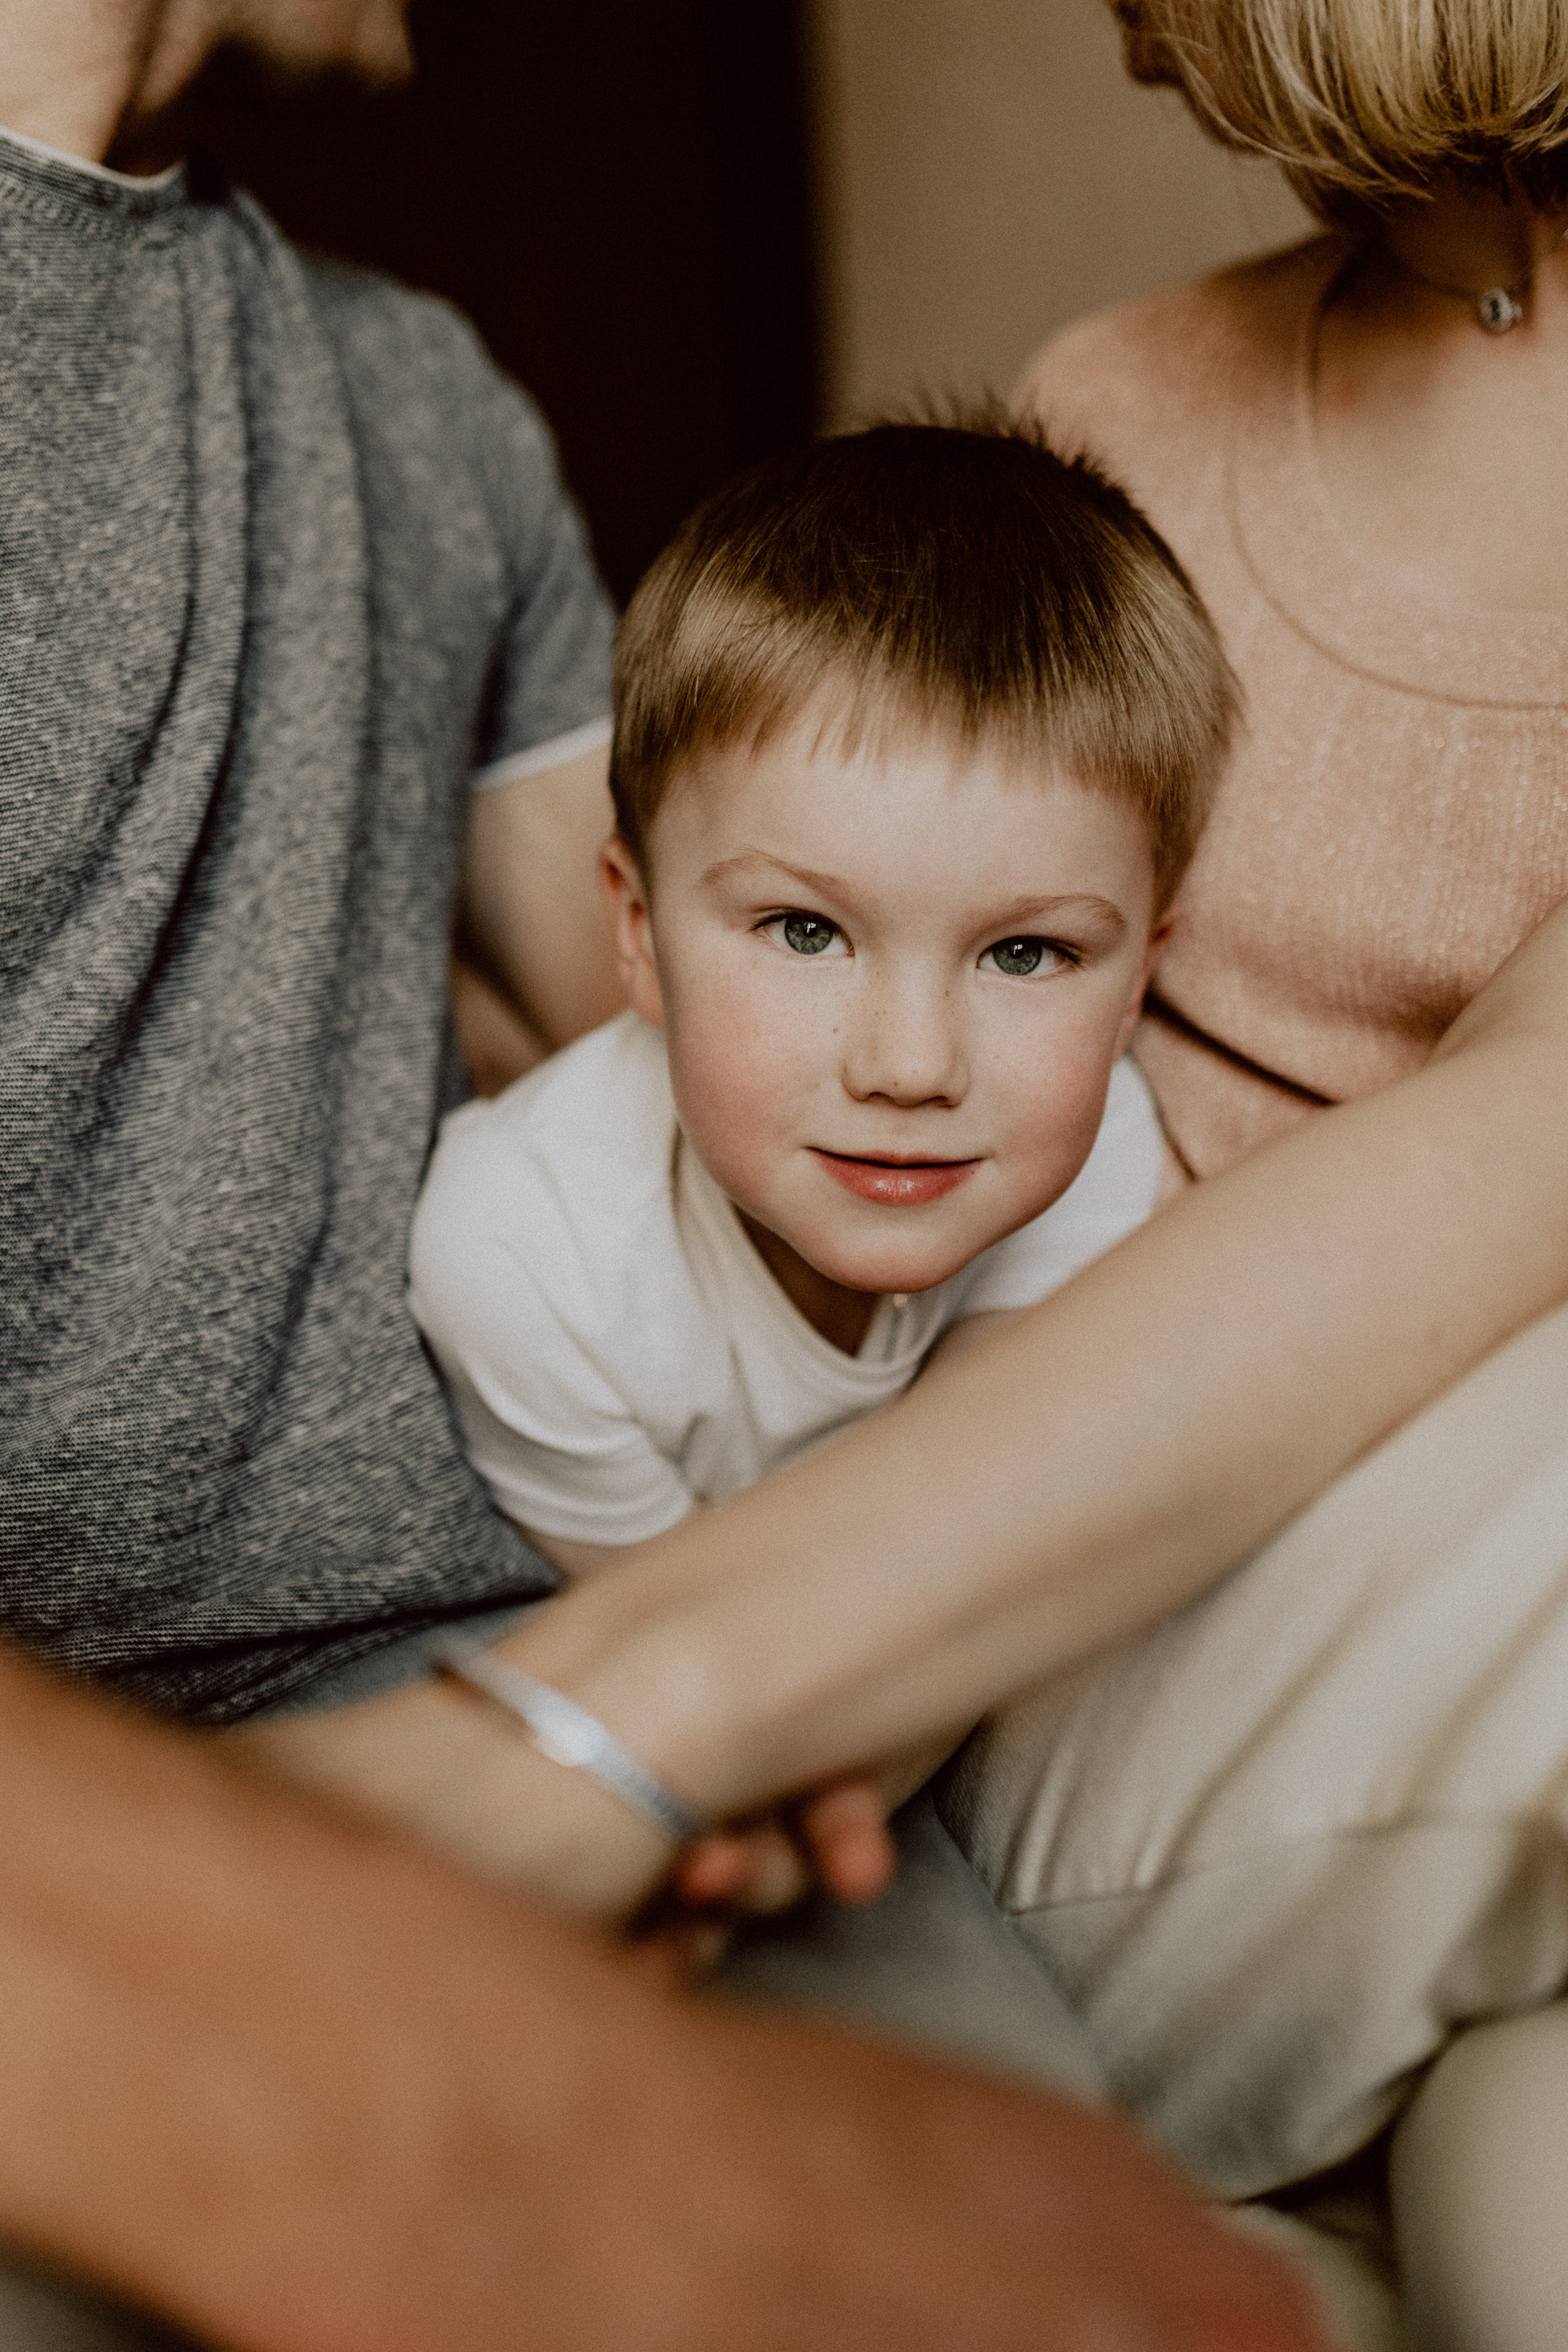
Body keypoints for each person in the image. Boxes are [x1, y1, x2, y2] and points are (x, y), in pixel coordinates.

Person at [0, 2, 1335, 2347]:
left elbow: (702, 999)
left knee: (1024, 2287)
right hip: (75, 1811)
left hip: (515, 1638)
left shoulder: (409, 392)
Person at [408, 422, 1226, 1584]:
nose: (910, 1066)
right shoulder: (522, 1259)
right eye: (807, 931)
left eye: (1026, 954)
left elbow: (974, 1536)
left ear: (1140, 975)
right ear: (637, 934)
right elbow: (707, 1675)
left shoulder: (1101, 1163)